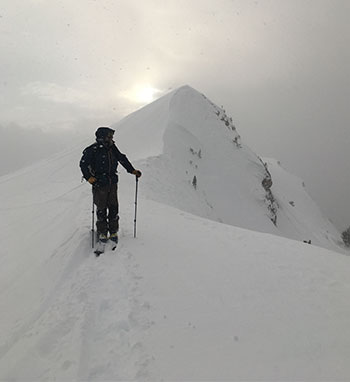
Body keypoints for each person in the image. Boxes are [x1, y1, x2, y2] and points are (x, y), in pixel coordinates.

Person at [80, 127, 141, 244]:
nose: (111, 139)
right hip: (99, 183)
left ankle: (113, 231)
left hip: (112, 182)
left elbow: (121, 158)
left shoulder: (112, 148)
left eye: (111, 137)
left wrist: (132, 170)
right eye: (109, 136)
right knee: (101, 208)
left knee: (113, 207)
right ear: (102, 137)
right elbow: (83, 164)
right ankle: (102, 232)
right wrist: (89, 177)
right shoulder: (92, 149)